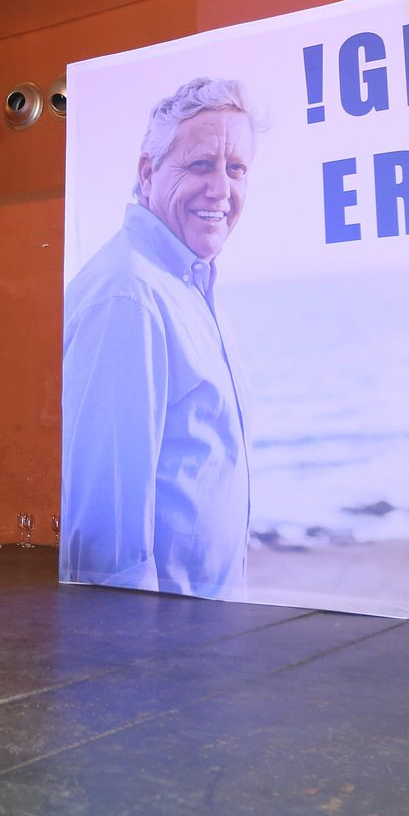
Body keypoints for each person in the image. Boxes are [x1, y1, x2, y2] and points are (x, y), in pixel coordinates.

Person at [60, 77, 258, 600]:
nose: (221, 189)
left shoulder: (186, 283)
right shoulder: (130, 296)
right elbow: (107, 539)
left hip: (201, 639)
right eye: (200, 165)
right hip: (164, 652)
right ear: (148, 173)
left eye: (235, 168)